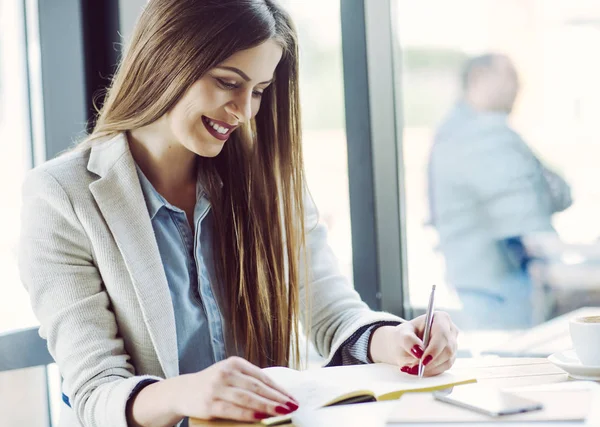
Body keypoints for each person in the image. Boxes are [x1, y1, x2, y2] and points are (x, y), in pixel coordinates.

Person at [19, 1, 459, 427]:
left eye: (260, 91)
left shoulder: (268, 181)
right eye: (229, 82)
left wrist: (398, 340)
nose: (246, 111)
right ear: (165, 61)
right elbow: (96, 390)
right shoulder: (62, 196)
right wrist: (187, 393)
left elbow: (332, 313)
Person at [427, 53, 572, 331]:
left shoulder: (453, 130)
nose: (518, 88)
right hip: (501, 290)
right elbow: (531, 216)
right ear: (478, 79)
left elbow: (561, 192)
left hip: (479, 284)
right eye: (510, 77)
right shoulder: (483, 133)